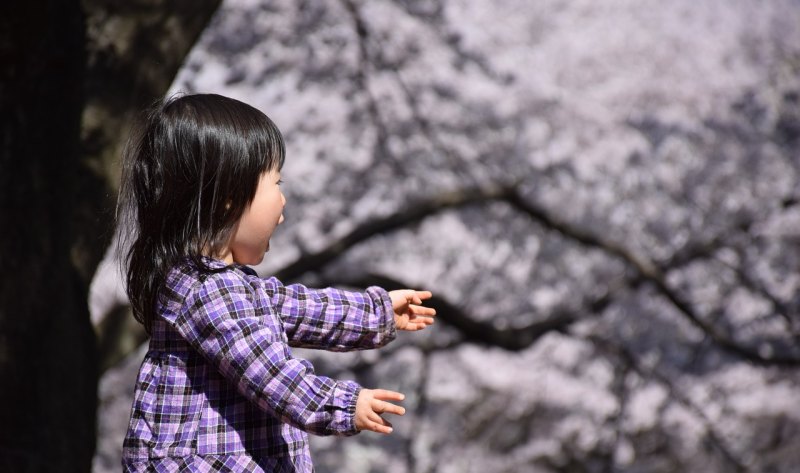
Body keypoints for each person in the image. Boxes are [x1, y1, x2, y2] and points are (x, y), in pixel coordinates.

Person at [116, 93, 436, 472]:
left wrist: (376, 311)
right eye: (276, 183)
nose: (283, 203)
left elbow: (301, 308)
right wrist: (341, 404)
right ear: (229, 202)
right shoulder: (206, 292)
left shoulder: (225, 286)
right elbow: (269, 373)